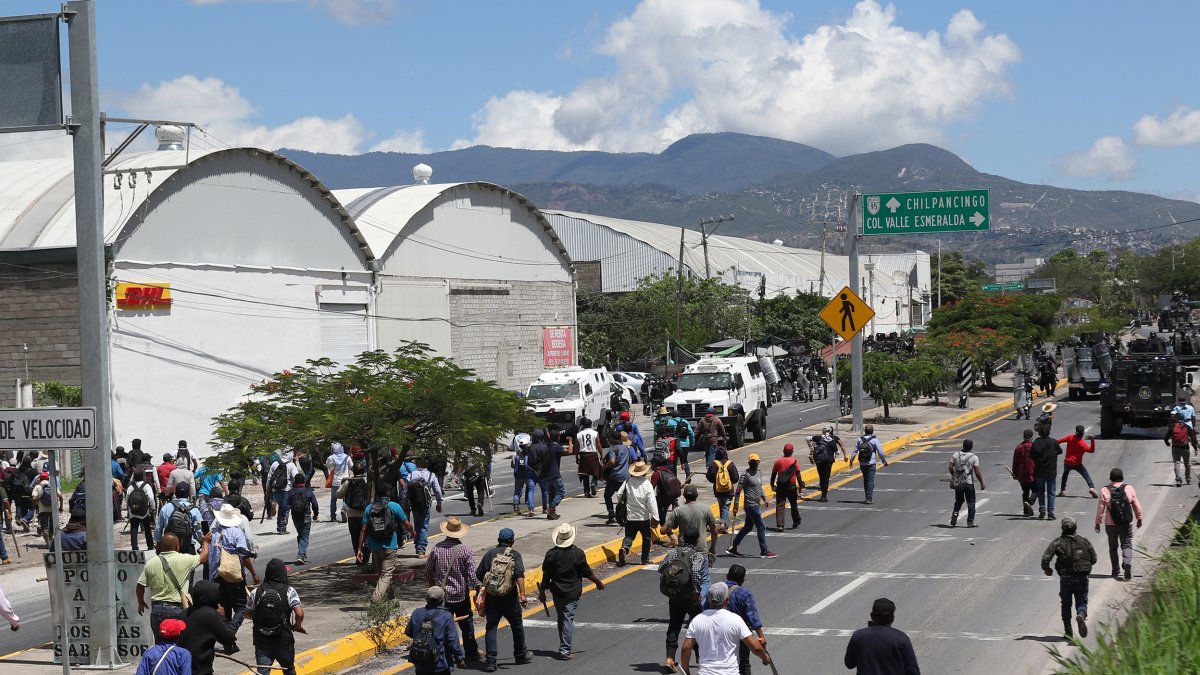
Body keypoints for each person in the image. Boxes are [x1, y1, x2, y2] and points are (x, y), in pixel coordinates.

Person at [540, 523, 606, 661]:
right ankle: (565, 650)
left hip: (557, 591)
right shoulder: (578, 553)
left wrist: (543, 590)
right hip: (572, 592)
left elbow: (546, 575)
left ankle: (564, 645)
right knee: (567, 619)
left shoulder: (551, 554)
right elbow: (586, 572)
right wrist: (598, 582)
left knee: (562, 618)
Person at [680, 583, 770, 675]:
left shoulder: (697, 620)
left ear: (708, 600)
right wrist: (764, 657)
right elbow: (755, 647)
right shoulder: (735, 620)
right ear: (727, 600)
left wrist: (686, 671)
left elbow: (686, 648)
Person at [136, 532, 212, 642]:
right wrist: (205, 542)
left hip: (157, 610)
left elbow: (140, 585)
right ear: (177, 545)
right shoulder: (185, 559)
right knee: (179, 644)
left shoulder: (151, 563)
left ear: (161, 546)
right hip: (176, 610)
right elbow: (204, 557)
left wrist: (141, 602)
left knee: (160, 645)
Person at [425, 517, 481, 663]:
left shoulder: (437, 549)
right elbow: (472, 573)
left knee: (443, 627)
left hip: (442, 597)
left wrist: (433, 587)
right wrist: (478, 588)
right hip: (461, 595)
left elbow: (429, 571)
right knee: (466, 625)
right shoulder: (464, 550)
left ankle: (447, 654)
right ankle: (471, 652)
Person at [474, 528, 531, 672]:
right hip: (510, 598)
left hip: (492, 598)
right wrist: (522, 594)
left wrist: (491, 585)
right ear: (512, 541)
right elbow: (519, 574)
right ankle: (520, 654)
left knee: (491, 627)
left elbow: (479, 573)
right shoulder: (515, 554)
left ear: (498, 540)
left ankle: (491, 661)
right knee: (516, 625)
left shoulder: (489, 554)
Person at [357, 482, 415, 602]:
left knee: (382, 576)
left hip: (375, 546)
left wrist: (359, 549)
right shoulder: (394, 506)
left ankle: (393, 601)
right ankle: (376, 599)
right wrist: (413, 533)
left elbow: (363, 529)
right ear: (388, 493)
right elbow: (407, 524)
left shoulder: (369, 508)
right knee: (386, 575)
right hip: (390, 545)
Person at [246, 558, 305, 675]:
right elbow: (299, 613)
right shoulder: (289, 591)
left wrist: (260, 618)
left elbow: (246, 613)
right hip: (283, 638)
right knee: (289, 669)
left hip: (261, 639)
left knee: (262, 672)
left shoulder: (256, 591)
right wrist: (297, 625)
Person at [1041, 516, 1097, 638]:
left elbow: (1046, 558)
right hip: (1082, 578)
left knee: (1066, 605)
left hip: (1066, 579)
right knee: (1082, 602)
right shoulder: (1084, 541)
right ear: (1076, 527)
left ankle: (1068, 631)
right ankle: (1081, 615)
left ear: (1062, 528)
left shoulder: (1057, 542)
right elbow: (1094, 559)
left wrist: (1047, 569)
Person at [662, 529, 709, 672]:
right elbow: (695, 574)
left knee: (674, 626)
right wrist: (696, 592)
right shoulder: (697, 556)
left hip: (674, 596)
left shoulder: (674, 553)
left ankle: (670, 658)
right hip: (690, 598)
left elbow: (661, 568)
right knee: (698, 626)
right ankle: (700, 655)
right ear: (696, 540)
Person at [210, 504, 259, 629]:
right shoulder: (236, 533)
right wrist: (253, 573)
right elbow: (244, 556)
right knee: (241, 607)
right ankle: (231, 631)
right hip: (234, 575)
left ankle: (228, 641)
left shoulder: (212, 534)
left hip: (216, 575)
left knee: (224, 607)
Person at [843, 598, 921, 675]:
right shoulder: (901, 638)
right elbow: (913, 670)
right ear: (892, 618)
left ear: (871, 615)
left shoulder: (858, 636)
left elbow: (849, 664)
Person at [178, 580, 239, 675]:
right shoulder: (210, 615)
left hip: (183, 668)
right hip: (201, 670)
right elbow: (229, 638)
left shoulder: (184, 613)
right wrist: (222, 617)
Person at [1094, 468, 1144, 581]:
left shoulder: (1105, 490)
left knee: (1113, 547)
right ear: (1122, 477)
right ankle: (1127, 563)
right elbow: (1136, 505)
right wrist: (1139, 518)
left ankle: (1115, 570)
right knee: (1126, 544)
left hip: (1110, 524)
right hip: (1125, 523)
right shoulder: (1129, 488)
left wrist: (1098, 522)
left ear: (1111, 478)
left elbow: (1101, 508)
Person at [406, 585, 465, 674]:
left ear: (426, 599)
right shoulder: (446, 616)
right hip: (439, 662)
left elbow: (409, 632)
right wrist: (459, 658)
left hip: (420, 661)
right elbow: (452, 640)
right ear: (442, 600)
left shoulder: (416, 612)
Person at [728, 454, 776, 559]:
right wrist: (736, 505)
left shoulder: (759, 473)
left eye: (756, 462)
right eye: (752, 462)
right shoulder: (745, 475)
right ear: (749, 463)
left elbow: (760, 487)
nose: (754, 464)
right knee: (761, 526)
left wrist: (765, 498)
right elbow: (738, 491)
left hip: (756, 504)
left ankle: (733, 547)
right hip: (750, 505)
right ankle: (764, 550)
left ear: (759, 462)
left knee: (748, 527)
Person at [614, 460, 657, 566]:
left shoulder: (628, 481)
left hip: (630, 516)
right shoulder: (647, 484)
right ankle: (644, 559)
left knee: (629, 536)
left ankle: (624, 548)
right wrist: (655, 516)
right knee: (646, 538)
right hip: (643, 517)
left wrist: (623, 503)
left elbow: (619, 494)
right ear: (645, 472)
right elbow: (651, 502)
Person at [662, 484, 719, 562]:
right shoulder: (706, 509)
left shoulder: (678, 511)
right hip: (701, 550)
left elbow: (663, 530)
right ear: (697, 495)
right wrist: (713, 547)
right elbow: (714, 531)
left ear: (684, 496)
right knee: (703, 573)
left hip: (683, 550)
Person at [724, 565, 765, 675]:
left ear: (727, 576)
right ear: (742, 579)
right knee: (743, 664)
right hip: (740, 635)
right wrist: (761, 637)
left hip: (718, 634)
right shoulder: (745, 594)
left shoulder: (715, 590)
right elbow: (753, 617)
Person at [406, 458, 444, 557]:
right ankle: (421, 550)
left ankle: (417, 546)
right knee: (423, 526)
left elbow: (406, 490)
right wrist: (439, 504)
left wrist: (407, 502)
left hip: (414, 504)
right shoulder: (431, 475)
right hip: (425, 504)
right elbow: (437, 491)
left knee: (417, 524)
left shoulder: (411, 475)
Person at [155, 483, 204, 554]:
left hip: (169, 547)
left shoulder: (166, 508)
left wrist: (158, 544)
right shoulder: (194, 510)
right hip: (188, 548)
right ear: (189, 494)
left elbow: (158, 528)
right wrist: (203, 543)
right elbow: (199, 530)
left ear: (175, 493)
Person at [948, 439, 985, 528]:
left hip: (958, 482)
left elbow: (950, 467)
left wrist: (954, 476)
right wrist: (981, 483)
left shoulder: (956, 455)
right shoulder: (974, 457)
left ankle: (955, 512)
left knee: (959, 500)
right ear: (971, 447)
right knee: (971, 502)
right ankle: (970, 522)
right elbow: (977, 472)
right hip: (968, 482)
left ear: (963, 445)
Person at [536, 429, 572, 520]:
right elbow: (569, 451)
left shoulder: (547, 446)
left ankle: (551, 514)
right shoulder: (556, 447)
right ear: (558, 438)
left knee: (552, 493)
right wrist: (570, 441)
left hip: (546, 474)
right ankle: (551, 508)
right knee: (561, 491)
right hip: (554, 474)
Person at [338, 461, 370, 557]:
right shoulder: (367, 480)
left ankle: (358, 556)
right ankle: (366, 555)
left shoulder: (349, 481)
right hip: (366, 513)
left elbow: (338, 494)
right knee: (367, 536)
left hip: (352, 514)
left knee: (355, 538)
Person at [850, 425, 888, 505]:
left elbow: (855, 451)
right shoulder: (875, 440)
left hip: (862, 463)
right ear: (872, 431)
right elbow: (880, 452)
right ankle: (869, 498)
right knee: (870, 480)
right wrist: (884, 461)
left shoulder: (859, 439)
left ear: (865, 431)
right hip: (871, 463)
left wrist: (851, 460)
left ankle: (867, 496)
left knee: (865, 479)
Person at [809, 426, 848, 502]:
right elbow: (842, 445)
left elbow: (812, 445)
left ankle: (822, 486)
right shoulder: (835, 438)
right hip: (829, 460)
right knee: (826, 477)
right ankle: (824, 496)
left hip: (819, 460)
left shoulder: (818, 438)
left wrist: (810, 454)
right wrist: (845, 455)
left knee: (821, 475)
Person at [1030, 427, 1063, 520]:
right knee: (1051, 492)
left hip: (1039, 471)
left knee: (1040, 491)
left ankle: (1042, 509)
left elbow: (1032, 455)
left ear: (1039, 433)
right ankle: (1050, 512)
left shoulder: (1036, 442)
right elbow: (1060, 451)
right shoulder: (1054, 442)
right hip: (1051, 472)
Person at [1058, 425, 1098, 497]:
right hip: (1077, 463)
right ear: (1083, 433)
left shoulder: (1070, 437)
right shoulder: (1082, 444)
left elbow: (1059, 441)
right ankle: (1091, 487)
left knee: (1064, 476)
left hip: (1067, 462)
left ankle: (1062, 490)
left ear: (1075, 432)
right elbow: (1091, 450)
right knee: (1086, 475)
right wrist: (1092, 440)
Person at [603, 431, 634, 524]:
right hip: (625, 476)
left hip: (615, 477)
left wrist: (604, 467)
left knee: (607, 495)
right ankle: (626, 516)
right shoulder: (626, 448)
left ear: (612, 439)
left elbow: (612, 461)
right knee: (625, 498)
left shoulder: (613, 449)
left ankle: (611, 514)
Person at [770, 443, 804, 528]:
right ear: (792, 452)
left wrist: (772, 484)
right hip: (791, 486)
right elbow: (798, 475)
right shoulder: (794, 461)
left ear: (783, 451)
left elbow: (773, 474)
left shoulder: (778, 461)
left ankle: (780, 525)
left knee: (780, 505)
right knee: (793, 504)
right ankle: (796, 521)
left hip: (781, 486)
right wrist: (800, 486)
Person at [288, 475, 318, 565]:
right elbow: (315, 505)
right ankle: (301, 555)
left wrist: (284, 516)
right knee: (305, 536)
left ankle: (302, 552)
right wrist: (316, 515)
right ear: (304, 482)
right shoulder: (308, 491)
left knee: (300, 535)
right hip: (306, 516)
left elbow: (286, 505)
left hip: (295, 517)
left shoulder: (291, 492)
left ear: (295, 482)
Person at [706, 448, 739, 532]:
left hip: (718, 490)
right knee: (725, 507)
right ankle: (723, 525)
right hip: (728, 490)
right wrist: (729, 482)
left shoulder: (714, 464)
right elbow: (736, 478)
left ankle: (723, 523)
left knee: (722, 506)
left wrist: (716, 482)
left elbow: (709, 476)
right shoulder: (730, 464)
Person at [267, 451, 299, 534]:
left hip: (275, 490)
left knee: (281, 507)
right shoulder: (291, 465)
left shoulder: (274, 464)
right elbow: (297, 477)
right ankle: (282, 528)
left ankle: (279, 526)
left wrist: (268, 489)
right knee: (285, 508)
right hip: (286, 489)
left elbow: (269, 478)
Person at [128, 467, 159, 551]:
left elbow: (127, 499)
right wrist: (152, 507)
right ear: (143, 476)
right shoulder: (146, 486)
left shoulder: (130, 487)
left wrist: (130, 511)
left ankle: (134, 547)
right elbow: (151, 498)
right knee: (147, 528)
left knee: (134, 528)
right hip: (144, 512)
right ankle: (150, 545)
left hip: (133, 512)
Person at [1164, 412, 1197, 487]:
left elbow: (1165, 437)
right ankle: (1188, 478)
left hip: (1175, 447)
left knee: (1177, 463)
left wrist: (1168, 443)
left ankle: (1178, 479)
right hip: (1185, 447)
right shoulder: (1187, 427)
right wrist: (1195, 448)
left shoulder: (1172, 426)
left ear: (1176, 418)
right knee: (1187, 463)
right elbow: (1193, 438)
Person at [1012, 430, 1037, 517]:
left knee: (1025, 491)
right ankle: (1030, 502)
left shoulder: (1018, 447)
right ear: (1032, 437)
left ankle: (1026, 511)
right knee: (1036, 490)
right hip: (1032, 472)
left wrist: (1014, 473)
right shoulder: (1034, 446)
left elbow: (1015, 461)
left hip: (1021, 474)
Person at [31, 471, 62, 542]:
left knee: (44, 525)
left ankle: (47, 539)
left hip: (42, 509)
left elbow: (34, 498)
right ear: (48, 478)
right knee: (52, 523)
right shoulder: (53, 485)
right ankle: (51, 538)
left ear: (40, 479)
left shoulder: (38, 486)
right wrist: (61, 506)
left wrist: (35, 505)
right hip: (53, 508)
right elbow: (60, 496)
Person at [575, 419, 603, 498]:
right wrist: (601, 454)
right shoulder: (595, 433)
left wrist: (576, 456)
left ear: (582, 426)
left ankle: (586, 492)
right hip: (593, 454)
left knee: (585, 474)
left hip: (583, 455)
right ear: (591, 425)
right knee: (597, 472)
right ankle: (594, 483)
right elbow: (598, 444)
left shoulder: (579, 434)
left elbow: (577, 447)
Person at [326, 442, 351, 522]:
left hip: (335, 482)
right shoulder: (347, 457)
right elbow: (351, 467)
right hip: (345, 480)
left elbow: (330, 467)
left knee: (333, 499)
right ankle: (344, 509)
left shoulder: (331, 458)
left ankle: (333, 516)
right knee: (346, 498)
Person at [510, 434, 534, 515]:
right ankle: (530, 506)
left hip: (518, 475)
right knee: (530, 490)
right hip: (527, 475)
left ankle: (516, 506)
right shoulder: (529, 454)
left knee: (517, 491)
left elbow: (512, 465)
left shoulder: (515, 454)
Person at [669, 408, 695, 481]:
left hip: (675, 444)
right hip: (685, 444)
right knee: (685, 460)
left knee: (674, 460)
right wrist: (692, 443)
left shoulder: (670, 422)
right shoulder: (685, 421)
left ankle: (675, 477)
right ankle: (688, 475)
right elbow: (691, 433)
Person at [463, 450, 490, 518]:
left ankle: (473, 509)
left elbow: (461, 466)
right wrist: (485, 473)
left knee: (470, 493)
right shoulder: (479, 451)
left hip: (468, 476)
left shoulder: (464, 452)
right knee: (480, 491)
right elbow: (486, 462)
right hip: (479, 474)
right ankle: (480, 503)